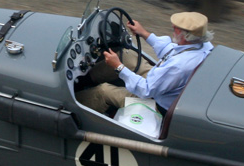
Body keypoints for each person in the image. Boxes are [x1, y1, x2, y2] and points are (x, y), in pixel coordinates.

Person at [77, 12, 214, 115]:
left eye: (176, 28)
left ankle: (73, 103)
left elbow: (146, 90)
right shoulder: (202, 45)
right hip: (164, 85)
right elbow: (171, 51)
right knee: (128, 56)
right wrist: (143, 33)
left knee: (104, 91)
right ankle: (84, 80)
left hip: (156, 102)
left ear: (186, 36)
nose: (173, 27)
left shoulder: (179, 66)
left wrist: (118, 66)